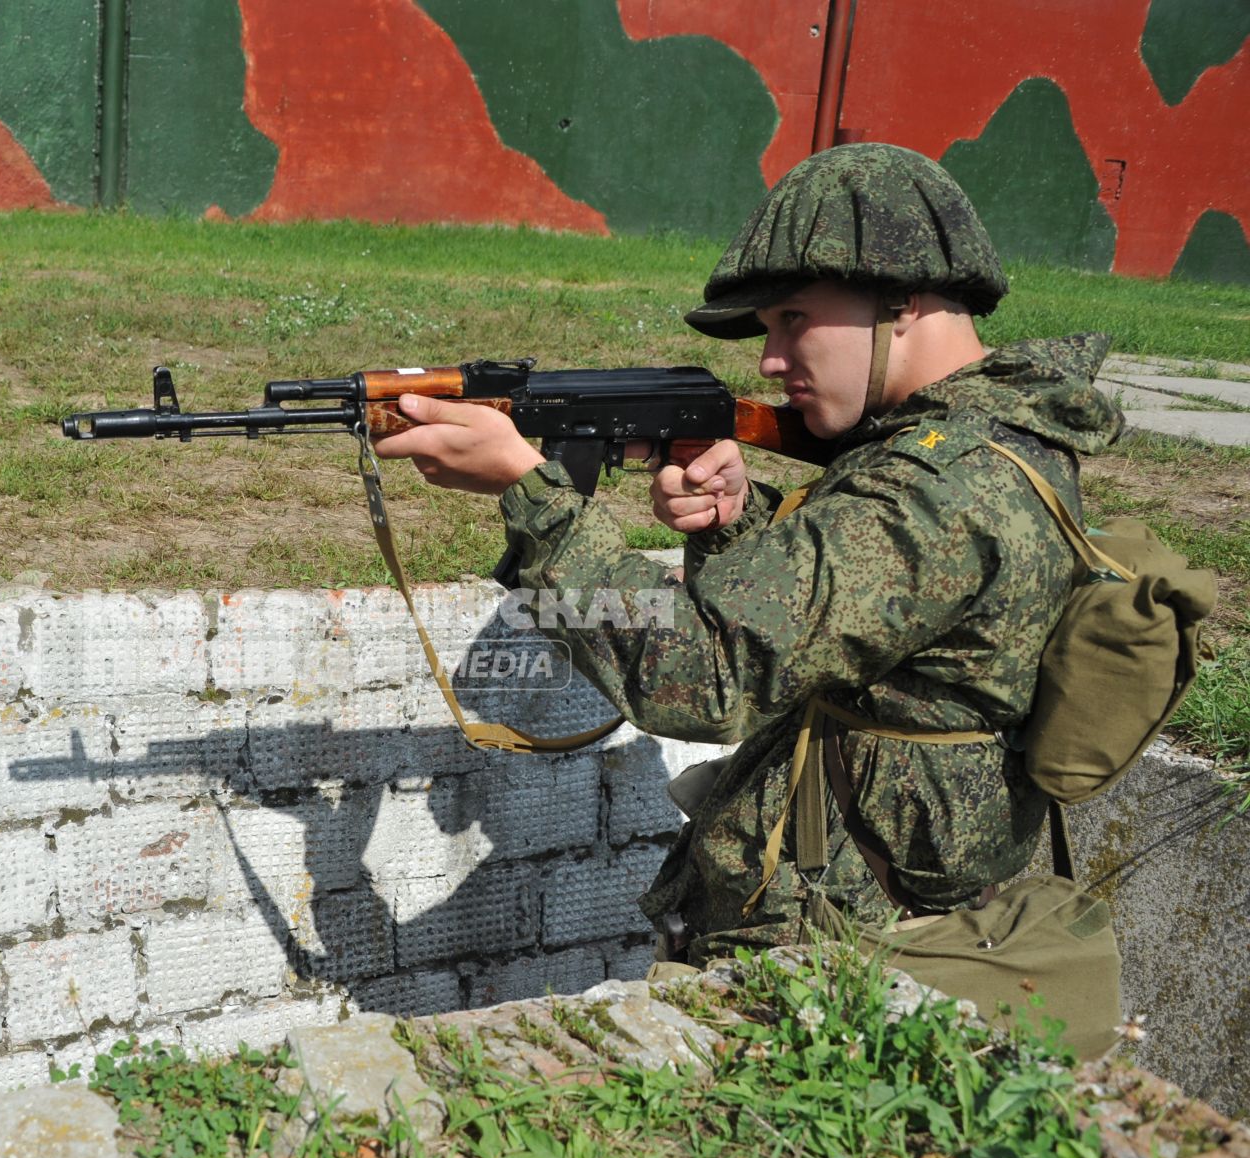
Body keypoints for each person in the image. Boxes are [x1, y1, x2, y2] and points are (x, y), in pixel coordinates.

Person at [373, 143, 1122, 963]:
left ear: (902, 299)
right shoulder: (964, 447)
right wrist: (733, 522)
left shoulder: (939, 485)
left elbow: (703, 675)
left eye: (793, 318)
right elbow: (857, 634)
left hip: (837, 965)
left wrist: (535, 497)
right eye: (768, 329)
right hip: (843, 927)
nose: (769, 359)